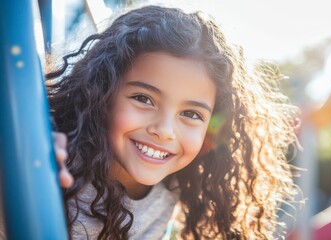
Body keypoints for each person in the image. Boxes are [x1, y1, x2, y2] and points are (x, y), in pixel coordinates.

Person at [5, 5, 299, 240]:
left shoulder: (175, 188)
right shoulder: (54, 156)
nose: (164, 130)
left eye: (191, 114)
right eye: (144, 99)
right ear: (101, 92)